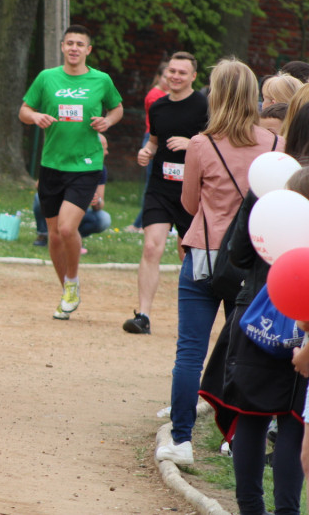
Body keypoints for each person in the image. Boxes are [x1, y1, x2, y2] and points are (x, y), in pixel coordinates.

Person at [156, 58, 281, 466]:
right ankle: (235, 437)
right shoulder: (275, 146)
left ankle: (181, 439)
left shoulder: (200, 144)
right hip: (253, 260)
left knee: (189, 351)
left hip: (204, 255)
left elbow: (189, 203)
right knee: (241, 351)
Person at [198, 115, 309, 515]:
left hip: (259, 313)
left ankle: (250, 510)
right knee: (294, 425)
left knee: (251, 417)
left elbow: (239, 255)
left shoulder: (270, 181)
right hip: (306, 326)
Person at [18, 24, 123, 320]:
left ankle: (73, 280)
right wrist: (35, 115)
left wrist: (108, 122)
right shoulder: (46, 78)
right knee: (53, 234)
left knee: (66, 228)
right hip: (52, 163)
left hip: (86, 165)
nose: (74, 48)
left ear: (88, 50)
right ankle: (66, 289)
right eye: (70, 43)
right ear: (62, 47)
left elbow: (117, 108)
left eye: (80, 44)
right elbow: (24, 110)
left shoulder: (101, 80)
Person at [125, 52, 208, 334]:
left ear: (193, 76)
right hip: (160, 188)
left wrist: (193, 143)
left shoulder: (204, 105)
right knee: (151, 247)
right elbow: (154, 141)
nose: (175, 76)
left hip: (192, 191)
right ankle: (143, 316)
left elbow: (218, 144)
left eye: (182, 73)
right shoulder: (158, 106)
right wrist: (145, 152)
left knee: (188, 256)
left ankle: (194, 320)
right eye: (171, 71)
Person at [31, 135, 112, 250]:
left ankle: (71, 237)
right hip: (57, 205)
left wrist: (96, 201)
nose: (107, 152)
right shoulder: (65, 159)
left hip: (78, 210)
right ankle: (44, 234)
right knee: (39, 198)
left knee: (104, 219)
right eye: (104, 148)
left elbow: (100, 203)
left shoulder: (100, 169)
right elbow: (39, 185)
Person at [125, 62, 169, 233]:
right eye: (165, 76)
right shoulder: (155, 95)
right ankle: (140, 224)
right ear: (158, 77)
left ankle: (140, 223)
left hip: (161, 140)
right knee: (151, 184)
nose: (169, 80)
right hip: (152, 139)